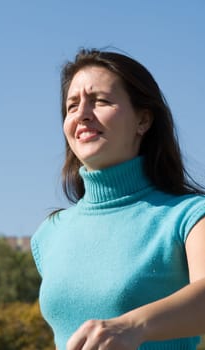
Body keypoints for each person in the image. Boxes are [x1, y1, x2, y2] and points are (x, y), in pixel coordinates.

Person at [31, 48, 205, 350]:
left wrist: (133, 326)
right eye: (72, 106)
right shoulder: (49, 233)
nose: (82, 114)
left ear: (143, 120)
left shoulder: (189, 216)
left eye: (100, 101)